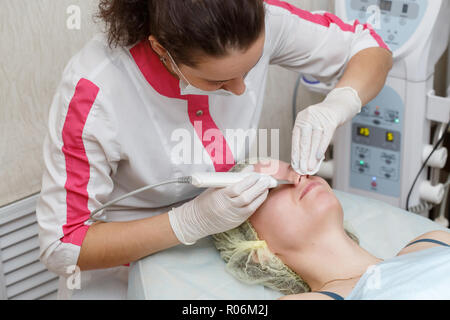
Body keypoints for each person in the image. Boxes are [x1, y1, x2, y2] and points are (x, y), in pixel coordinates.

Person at [36, 0, 392, 299]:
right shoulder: (96, 91)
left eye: (250, 70)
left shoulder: (259, 18)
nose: (240, 90)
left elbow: (369, 47)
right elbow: (62, 246)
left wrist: (339, 103)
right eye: (217, 81)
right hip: (119, 276)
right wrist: (190, 221)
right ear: (162, 50)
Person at [213, 161, 450, 300]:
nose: (298, 177)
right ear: (258, 253)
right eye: (271, 188)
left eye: (292, 168)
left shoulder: (432, 241)